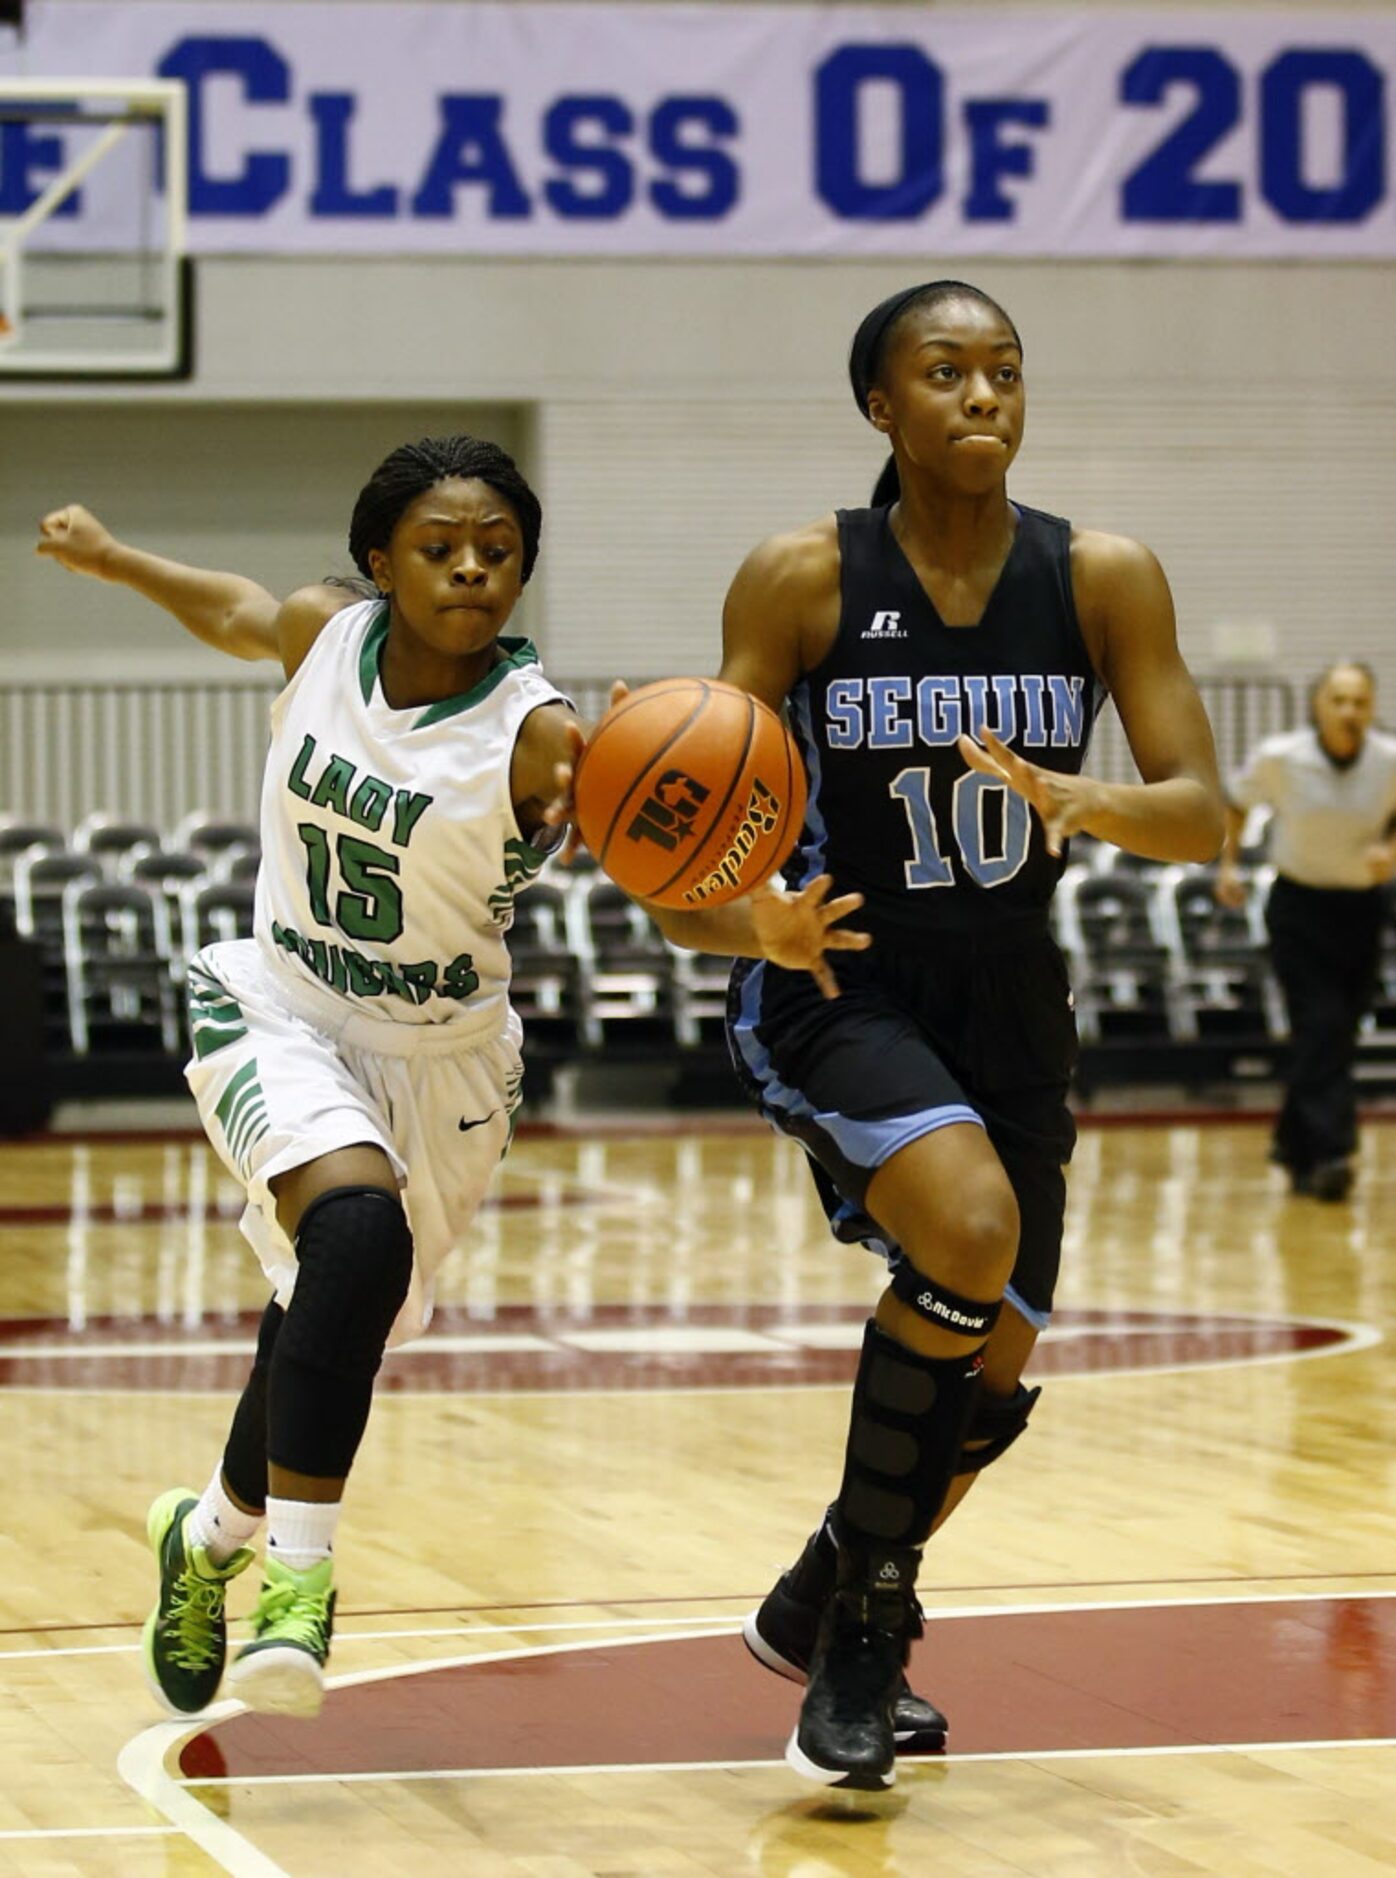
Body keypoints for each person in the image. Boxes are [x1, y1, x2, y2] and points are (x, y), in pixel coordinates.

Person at [36, 436, 866, 1723]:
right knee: (354, 1239)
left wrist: (763, 922)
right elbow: (240, 608)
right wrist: (109, 558)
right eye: (440, 547)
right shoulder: (325, 634)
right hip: (280, 1005)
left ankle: (203, 1543)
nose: (473, 567)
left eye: (498, 551)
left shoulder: (542, 742)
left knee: (335, 1305)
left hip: (445, 1061)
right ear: (381, 562)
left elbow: (664, 889)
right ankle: (299, 1591)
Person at [628, 280, 1225, 1790]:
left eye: (1005, 370)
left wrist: (1091, 801)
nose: (983, 395)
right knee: (966, 1230)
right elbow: (681, 862)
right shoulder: (801, 577)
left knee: (999, 1368)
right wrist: (747, 922)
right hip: (843, 977)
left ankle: (825, 1583)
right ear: (880, 406)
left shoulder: (1103, 574)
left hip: (1014, 991)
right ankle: (867, 1632)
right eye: (945, 371)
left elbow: (1205, 809)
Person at [1217, 661, 1396, 1201]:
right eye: (1338, 700)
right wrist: (1229, 866)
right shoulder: (1282, 758)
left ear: (1371, 707)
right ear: (1318, 705)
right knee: (1321, 1024)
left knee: (1336, 1033)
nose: (1349, 712)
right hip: (1299, 910)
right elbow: (1236, 801)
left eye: (1359, 702)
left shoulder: (1389, 761)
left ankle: (1293, 1146)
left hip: (1362, 910)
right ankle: (1331, 1154)